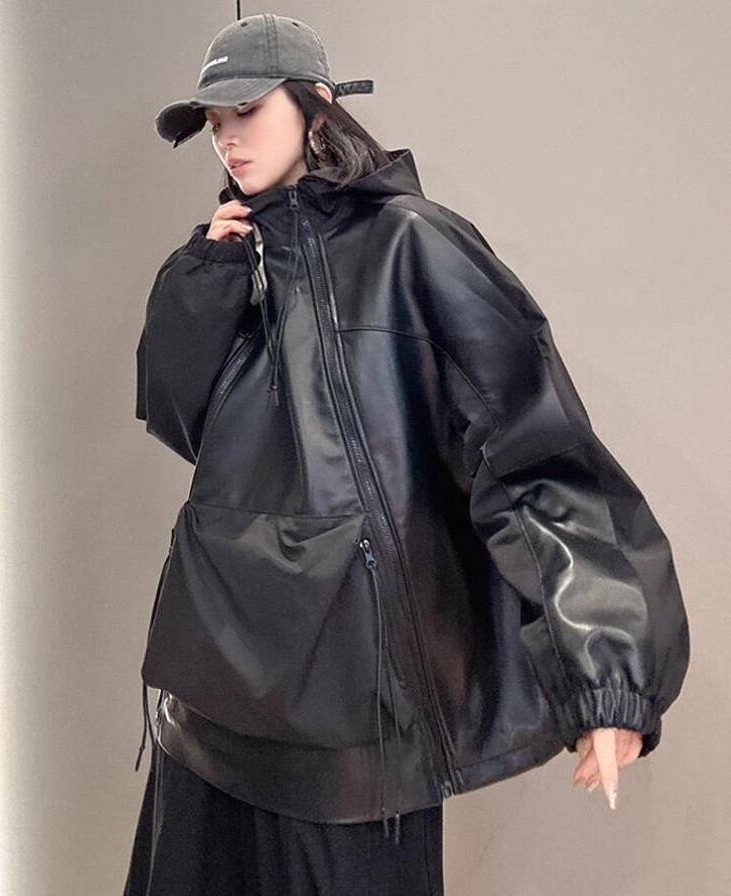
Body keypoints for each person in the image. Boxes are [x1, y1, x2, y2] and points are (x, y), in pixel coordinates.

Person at [124, 12, 690, 895]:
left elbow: (533, 454)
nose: (229, 137)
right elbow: (179, 424)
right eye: (214, 120)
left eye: (249, 110)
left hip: (352, 735)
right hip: (205, 716)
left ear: (317, 103)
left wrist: (608, 675)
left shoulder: (412, 246)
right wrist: (203, 284)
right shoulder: (230, 260)